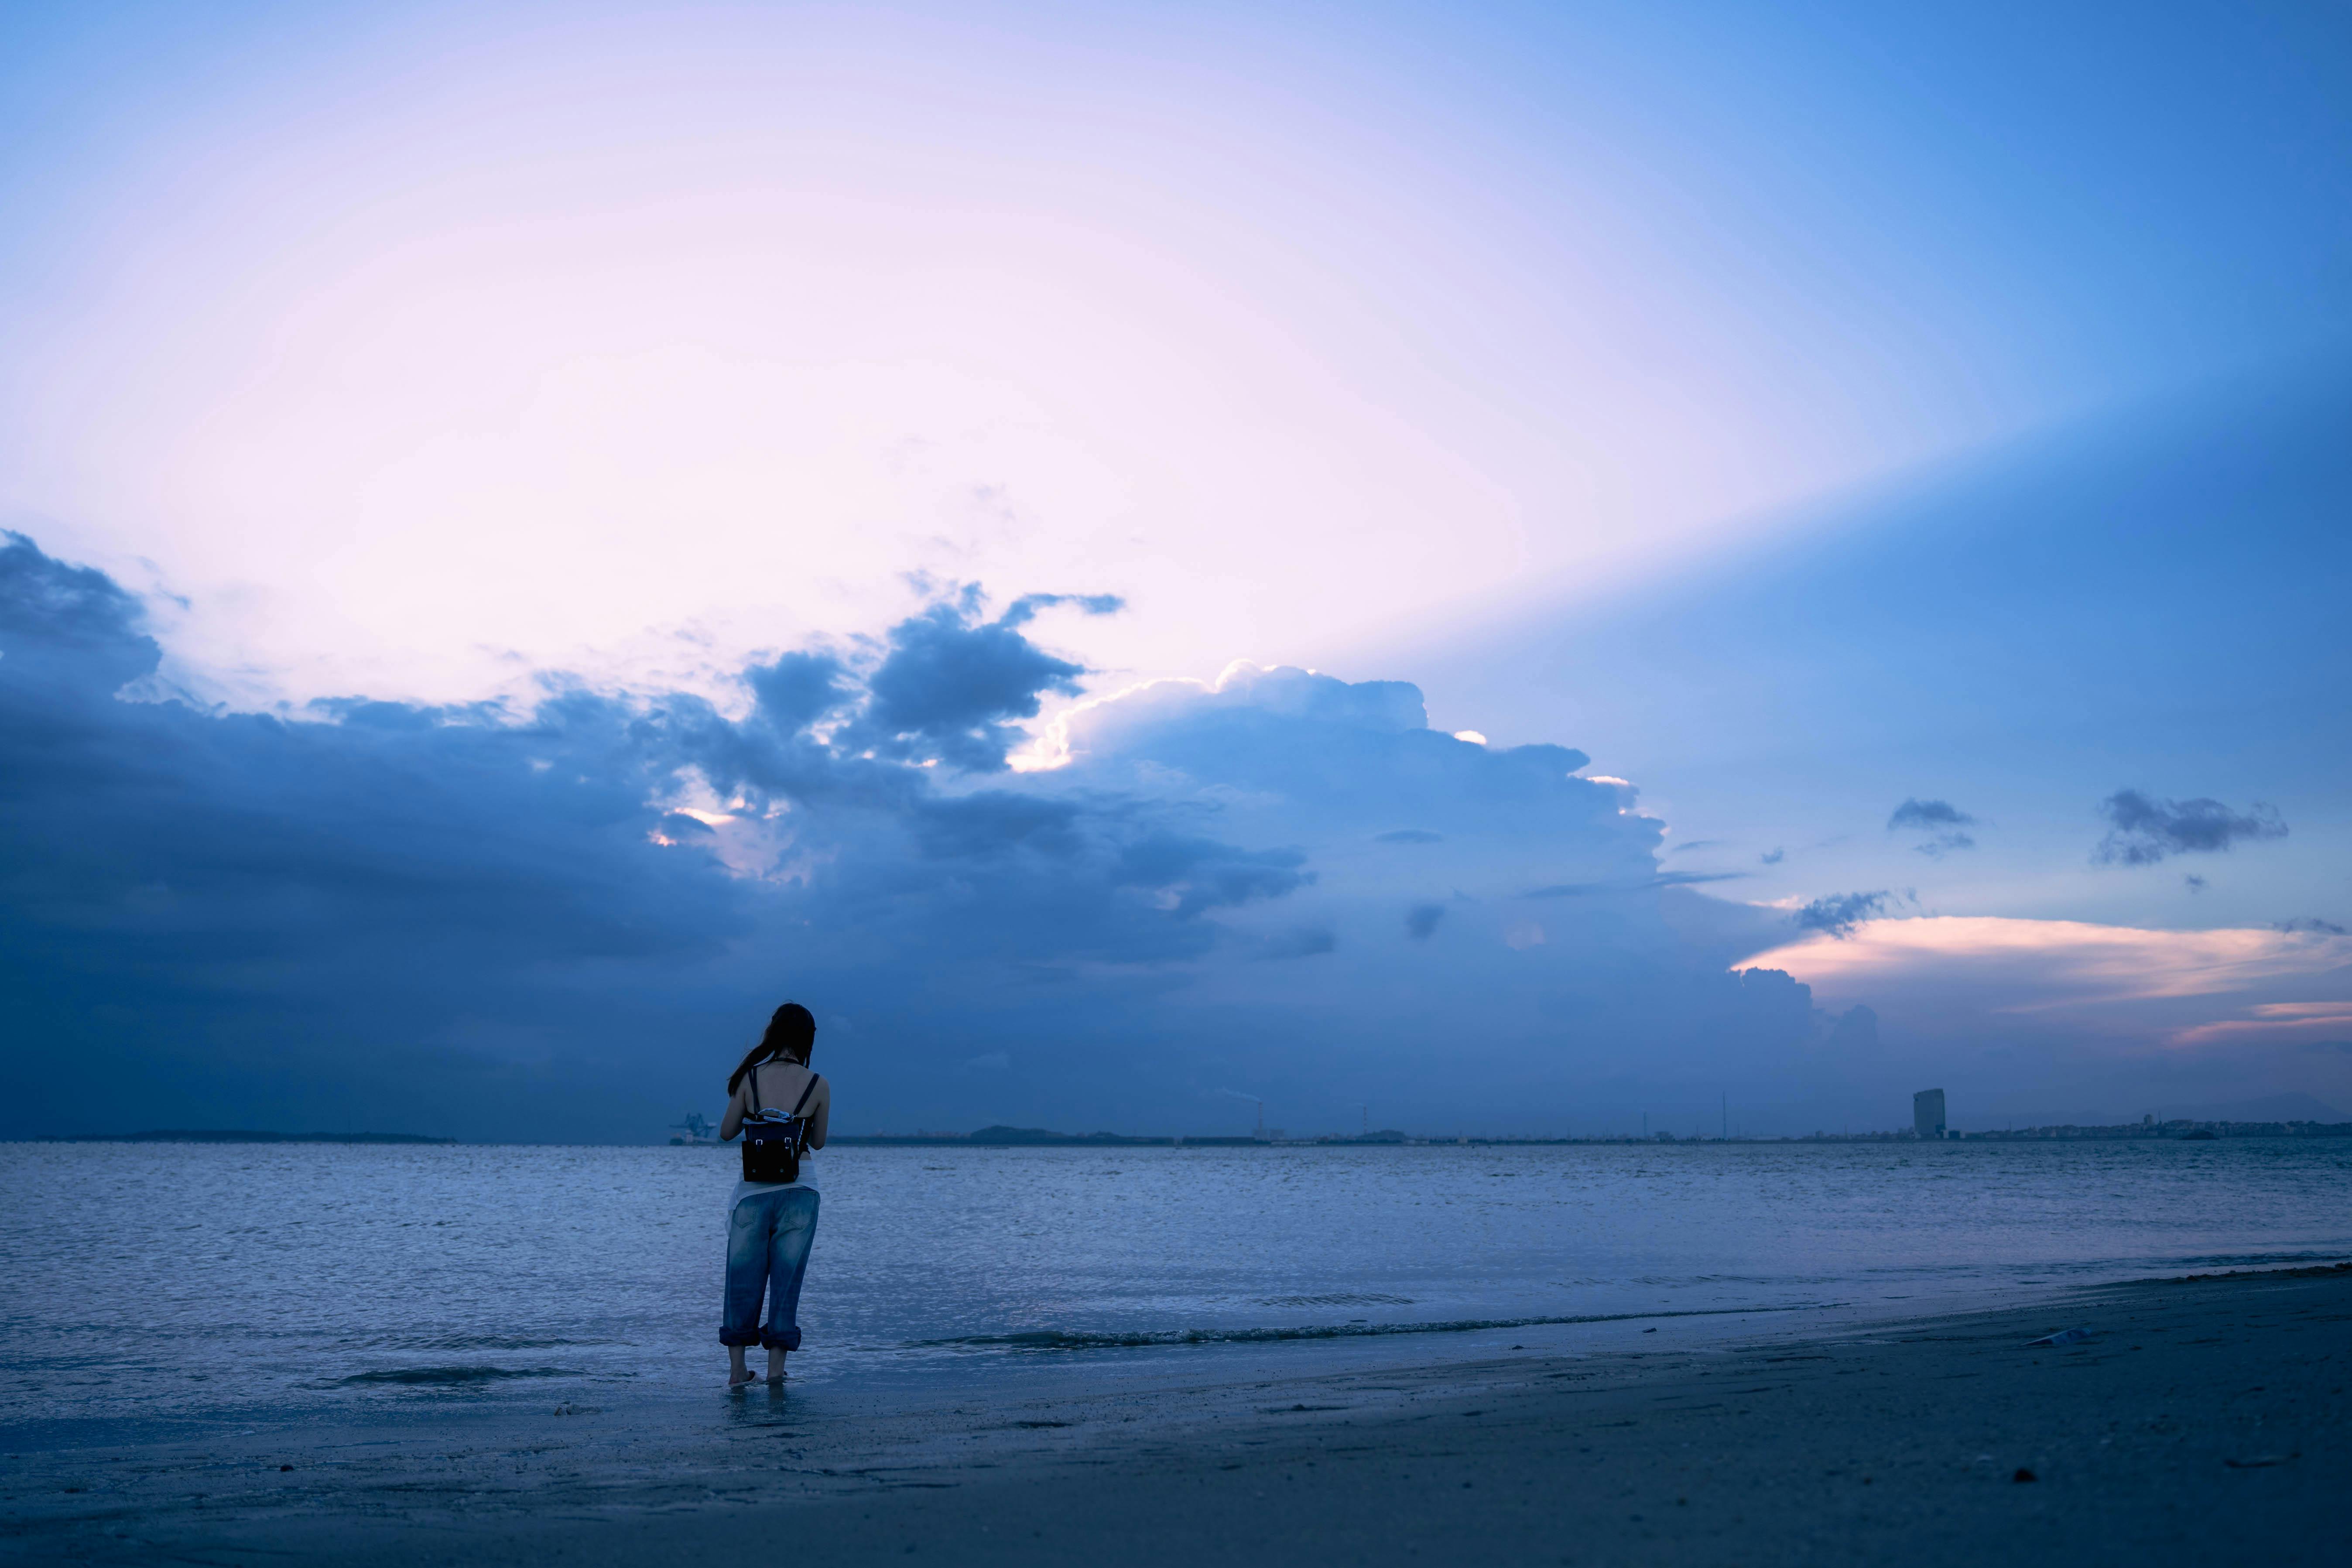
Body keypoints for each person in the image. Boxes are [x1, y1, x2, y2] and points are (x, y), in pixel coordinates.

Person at [717, 1002, 831, 1387]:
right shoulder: (818, 1084)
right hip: (801, 1191)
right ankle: (775, 1373)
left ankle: (737, 1372)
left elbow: (727, 1132)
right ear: (808, 1039)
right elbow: (817, 1142)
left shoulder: (750, 1079)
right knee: (787, 1282)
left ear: (773, 1033)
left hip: (753, 1193)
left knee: (742, 1280)